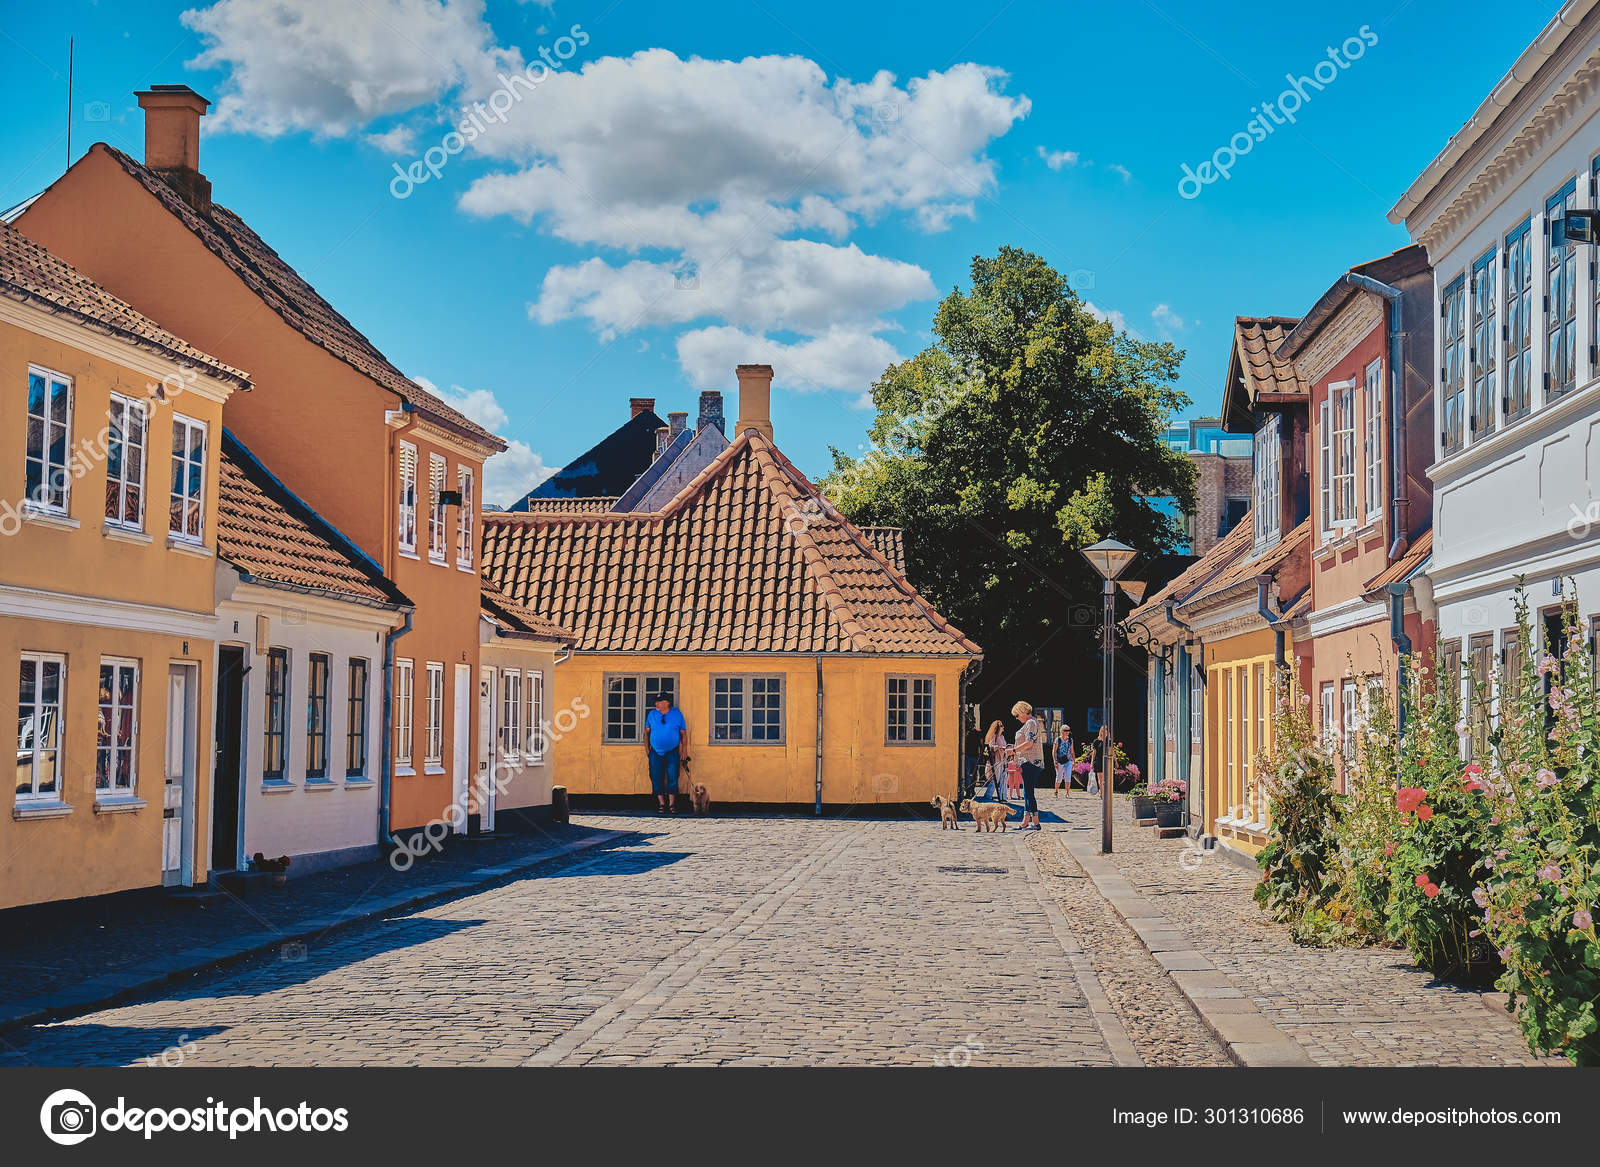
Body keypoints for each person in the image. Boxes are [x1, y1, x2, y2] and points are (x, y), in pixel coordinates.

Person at [644, 692, 688, 814]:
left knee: (673, 777)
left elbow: (683, 734)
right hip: (655, 752)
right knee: (656, 777)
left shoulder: (677, 714)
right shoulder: (652, 714)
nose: (656, 704)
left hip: (672, 752)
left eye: (659, 701)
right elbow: (646, 733)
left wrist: (684, 751)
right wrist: (647, 750)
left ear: (667, 703)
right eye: (656, 702)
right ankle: (662, 804)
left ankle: (672, 804)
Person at [1011, 701, 1043, 830]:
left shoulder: (1030, 723)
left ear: (1022, 712)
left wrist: (1014, 750)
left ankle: (1035, 823)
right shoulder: (1032, 722)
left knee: (1029, 793)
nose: (1017, 718)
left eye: (1017, 715)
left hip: (1030, 761)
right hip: (1029, 762)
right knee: (1027, 792)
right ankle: (1026, 821)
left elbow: (1029, 743)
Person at [983, 720, 1008, 801]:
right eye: (1001, 726)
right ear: (997, 728)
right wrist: (997, 747)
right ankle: (988, 795)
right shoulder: (994, 736)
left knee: (1003, 778)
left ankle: (1003, 796)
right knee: (995, 778)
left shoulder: (1002, 737)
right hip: (996, 759)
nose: (1003, 728)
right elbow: (990, 746)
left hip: (1003, 759)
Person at [1054, 725, 1076, 795]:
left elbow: (1072, 751)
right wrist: (1055, 761)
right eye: (1065, 730)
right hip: (1060, 760)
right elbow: (1054, 751)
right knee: (1059, 776)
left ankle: (1067, 792)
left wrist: (1074, 761)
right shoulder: (1058, 740)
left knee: (1068, 775)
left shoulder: (1070, 740)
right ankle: (1056, 791)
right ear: (1061, 731)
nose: (1067, 732)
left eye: (1068, 731)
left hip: (1068, 760)